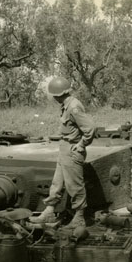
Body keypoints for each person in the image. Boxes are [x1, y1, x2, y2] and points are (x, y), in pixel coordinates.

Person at [30, 77, 97, 229]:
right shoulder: (66, 105)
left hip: (72, 151)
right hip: (64, 148)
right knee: (57, 183)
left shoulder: (73, 107)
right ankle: (49, 211)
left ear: (57, 95)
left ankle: (79, 218)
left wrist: (81, 145)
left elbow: (90, 128)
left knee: (75, 186)